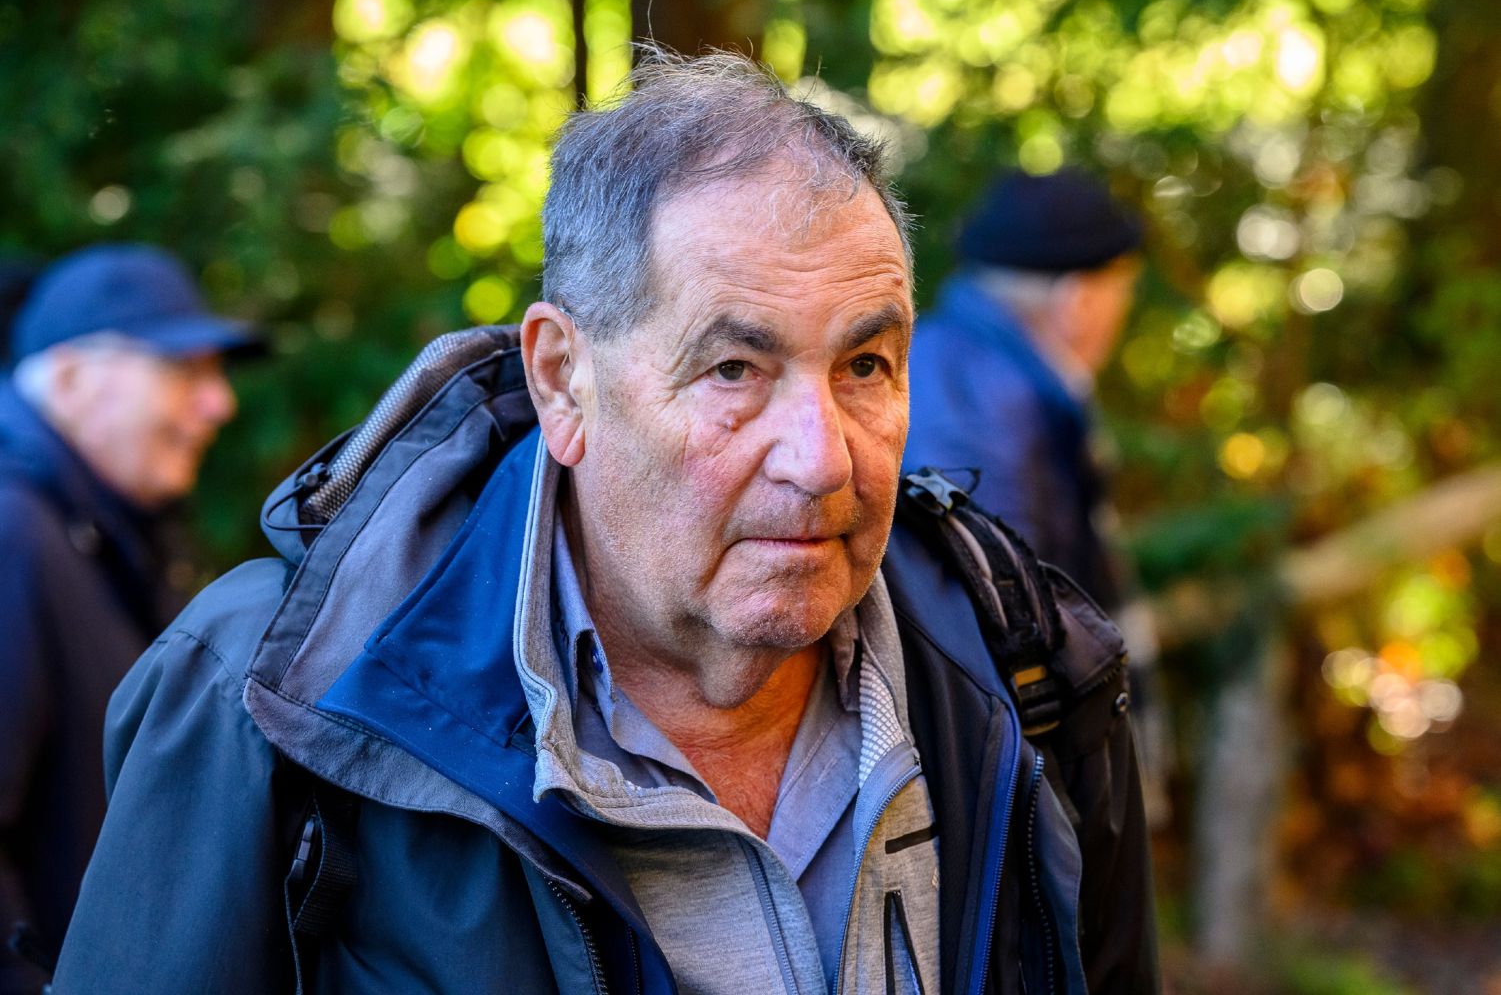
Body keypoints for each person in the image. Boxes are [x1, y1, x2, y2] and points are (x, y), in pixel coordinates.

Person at [54, 56, 1156, 994]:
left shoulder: (1025, 671)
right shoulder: (269, 694)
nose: (822, 459)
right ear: (562, 381)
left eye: (865, 365)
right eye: (734, 368)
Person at [0, 244, 249, 993]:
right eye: (182, 370)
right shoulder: (14, 533)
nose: (220, 404)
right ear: (71, 379)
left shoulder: (105, 536)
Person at [904, 169, 1143, 612]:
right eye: (1123, 290)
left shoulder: (963, 370)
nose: (1125, 308)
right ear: (1078, 301)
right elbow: (1003, 612)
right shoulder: (977, 404)